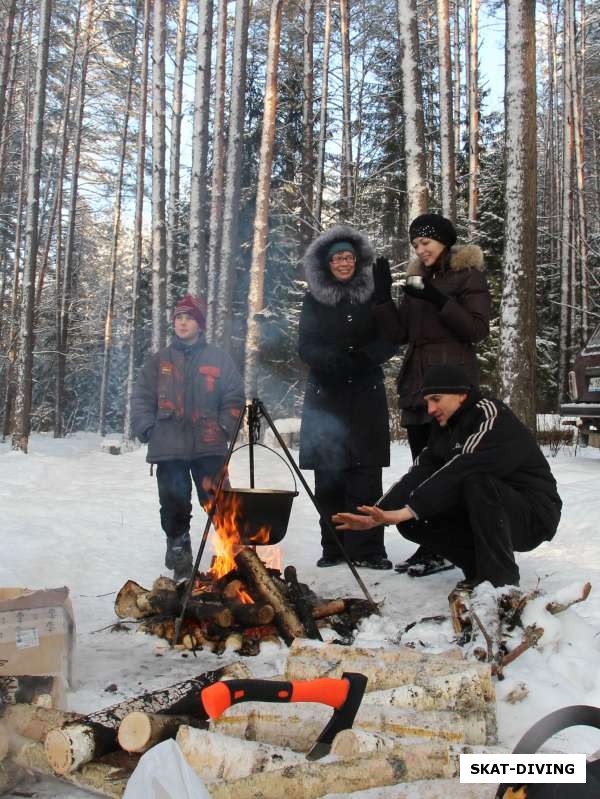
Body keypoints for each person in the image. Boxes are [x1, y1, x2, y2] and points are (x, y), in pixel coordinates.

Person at [332, 365, 562, 590]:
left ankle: (500, 585)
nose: (430, 409)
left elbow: (462, 468)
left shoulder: (491, 416)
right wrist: (379, 514)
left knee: (475, 480)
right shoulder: (445, 428)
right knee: (412, 521)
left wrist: (408, 508)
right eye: (427, 401)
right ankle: (478, 571)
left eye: (436, 398)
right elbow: (422, 471)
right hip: (487, 508)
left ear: (461, 394)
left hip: (533, 514)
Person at [372, 213, 491, 577]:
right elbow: (399, 335)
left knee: (449, 465)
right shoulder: (417, 279)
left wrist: (439, 299)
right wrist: (381, 299)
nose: (420, 250)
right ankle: (434, 540)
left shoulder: (468, 275)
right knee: (423, 463)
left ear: (445, 242)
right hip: (418, 383)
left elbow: (476, 329)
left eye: (426, 243)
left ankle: (451, 542)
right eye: (416, 245)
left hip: (453, 383)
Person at [298, 225, 398, 569]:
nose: (343, 262)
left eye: (348, 257)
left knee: (366, 474)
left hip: (366, 393)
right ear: (327, 264)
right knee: (329, 476)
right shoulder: (313, 298)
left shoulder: (374, 295)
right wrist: (333, 360)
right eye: (337, 257)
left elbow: (392, 337)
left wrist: (365, 357)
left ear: (358, 261)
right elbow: (305, 344)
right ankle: (334, 547)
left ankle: (369, 549)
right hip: (326, 394)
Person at [131, 294, 245, 580]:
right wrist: (147, 428)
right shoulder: (159, 361)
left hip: (209, 445)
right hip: (169, 447)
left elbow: (234, 397)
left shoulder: (219, 359)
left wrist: (223, 427)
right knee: (174, 503)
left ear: (200, 324)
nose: (182, 323)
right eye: (179, 318)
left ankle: (234, 559)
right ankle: (181, 561)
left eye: (189, 318)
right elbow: (141, 397)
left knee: (221, 503)